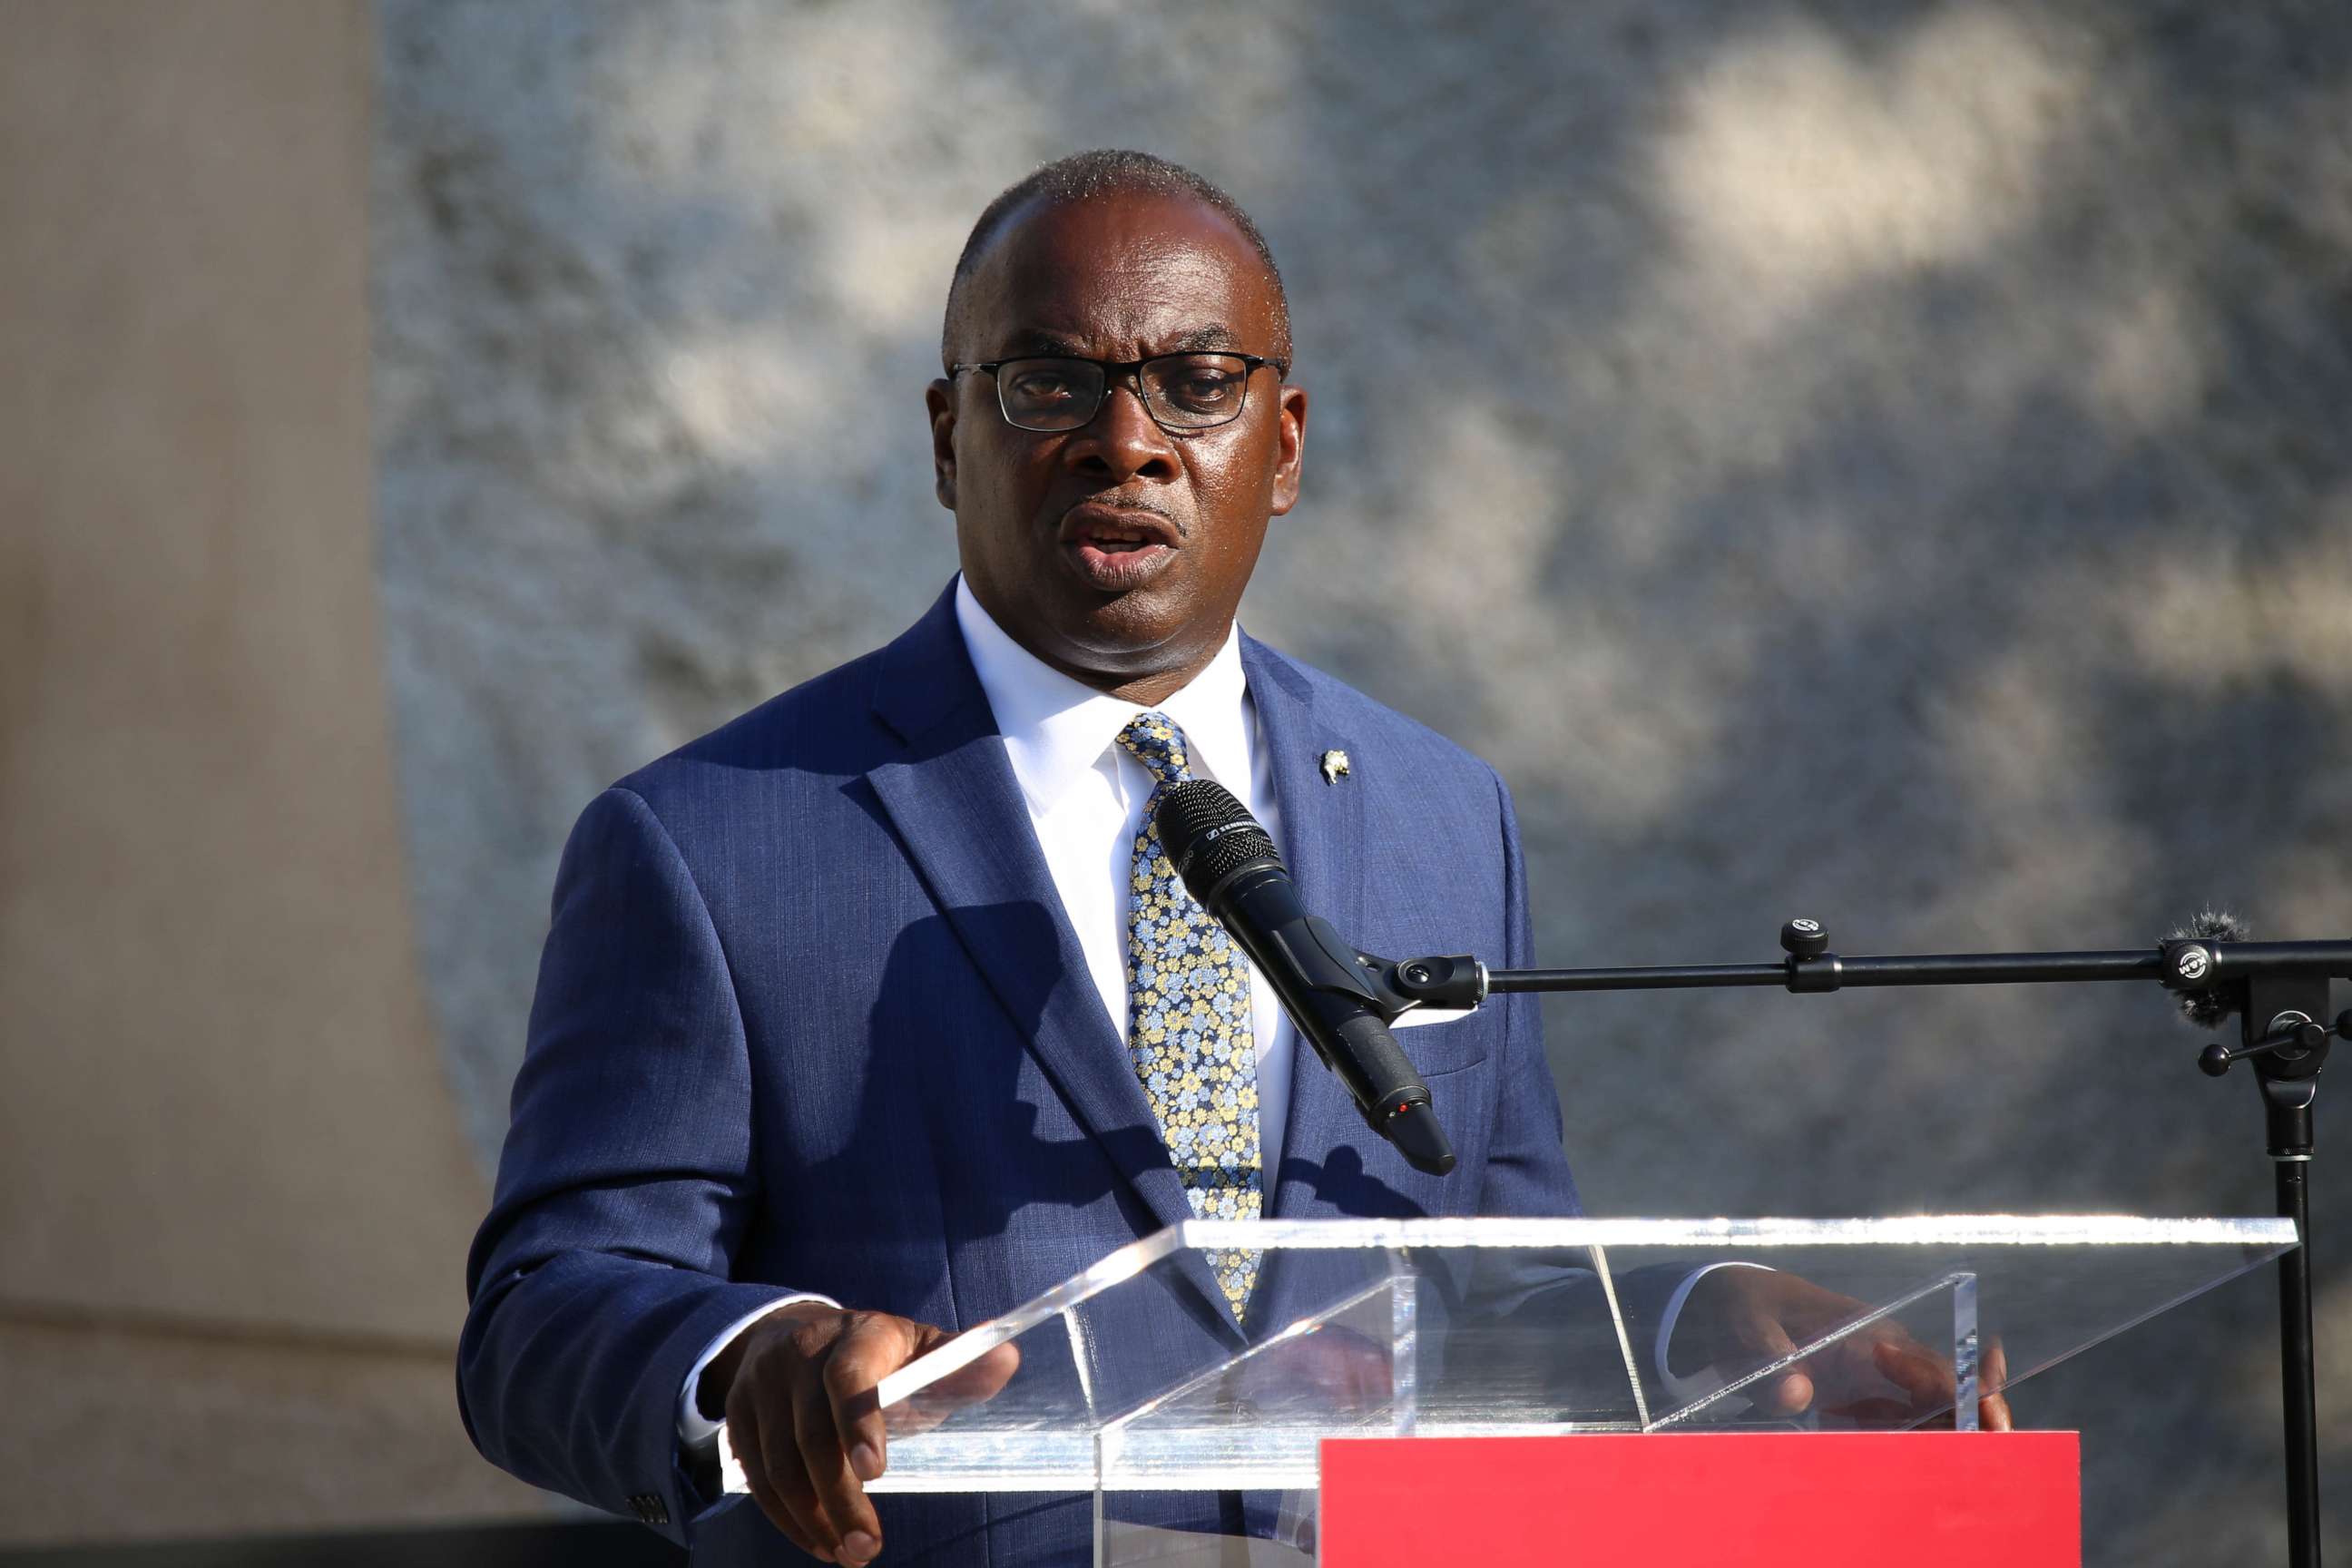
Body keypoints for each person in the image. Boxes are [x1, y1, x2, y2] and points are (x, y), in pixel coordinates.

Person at [457, 151, 2000, 1568]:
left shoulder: (1439, 811)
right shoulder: (717, 837)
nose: (1124, 443)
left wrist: (1691, 1330)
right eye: (1048, 382)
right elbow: (541, 1321)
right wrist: (756, 1362)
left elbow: (1490, 1281)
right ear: (948, 436)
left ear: (1284, 443)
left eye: (1196, 383)